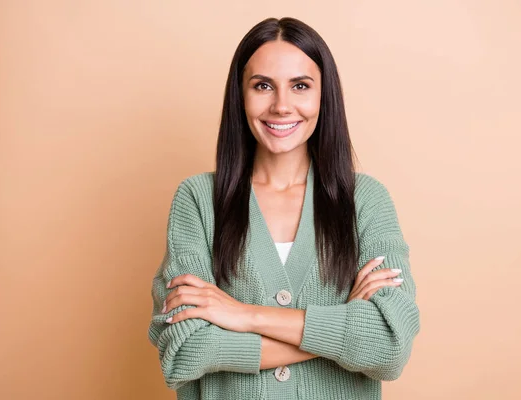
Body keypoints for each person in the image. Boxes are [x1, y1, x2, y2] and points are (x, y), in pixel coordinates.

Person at [148, 16, 420, 400]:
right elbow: (184, 351)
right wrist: (340, 329)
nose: (281, 105)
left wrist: (244, 315)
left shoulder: (366, 202)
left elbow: (389, 347)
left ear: (324, 96)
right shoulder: (198, 200)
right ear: (239, 95)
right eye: (262, 86)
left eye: (300, 86)